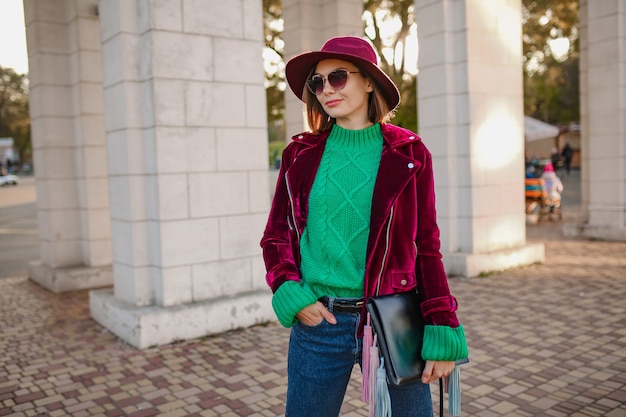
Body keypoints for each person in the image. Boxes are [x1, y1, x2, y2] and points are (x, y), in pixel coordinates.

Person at [260, 36, 468, 417]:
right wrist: (291, 291)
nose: (325, 90)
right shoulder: (299, 154)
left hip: (393, 320)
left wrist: (441, 323)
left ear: (369, 80)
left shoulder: (408, 152)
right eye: (317, 82)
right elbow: (277, 235)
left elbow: (426, 246)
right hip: (319, 323)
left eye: (337, 77)